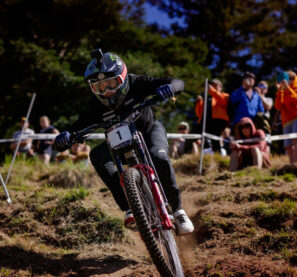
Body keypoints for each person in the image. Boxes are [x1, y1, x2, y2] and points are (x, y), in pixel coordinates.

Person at [52, 49, 194, 235]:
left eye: (111, 83)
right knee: (97, 155)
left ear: (123, 77)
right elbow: (75, 128)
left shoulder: (137, 83)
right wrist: (65, 138)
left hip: (150, 130)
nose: (107, 91)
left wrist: (170, 88)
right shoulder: (95, 106)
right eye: (99, 87)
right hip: (118, 142)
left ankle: (178, 210)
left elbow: (178, 82)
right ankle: (129, 208)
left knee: (159, 157)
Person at [274, 71, 297, 166]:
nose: (289, 81)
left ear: (294, 79)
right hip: (286, 121)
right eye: (288, 79)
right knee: (288, 146)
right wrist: (279, 91)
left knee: (296, 140)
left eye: (291, 79)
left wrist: (287, 88)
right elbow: (278, 106)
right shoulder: (282, 91)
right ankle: (292, 166)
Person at [195, 78, 229, 153]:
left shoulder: (225, 95)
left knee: (215, 141)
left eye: (215, 86)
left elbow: (223, 101)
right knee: (202, 141)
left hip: (217, 122)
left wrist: (211, 90)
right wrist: (199, 102)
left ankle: (218, 156)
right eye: (211, 86)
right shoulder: (207, 99)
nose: (212, 87)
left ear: (221, 87)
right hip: (205, 123)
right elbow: (198, 113)